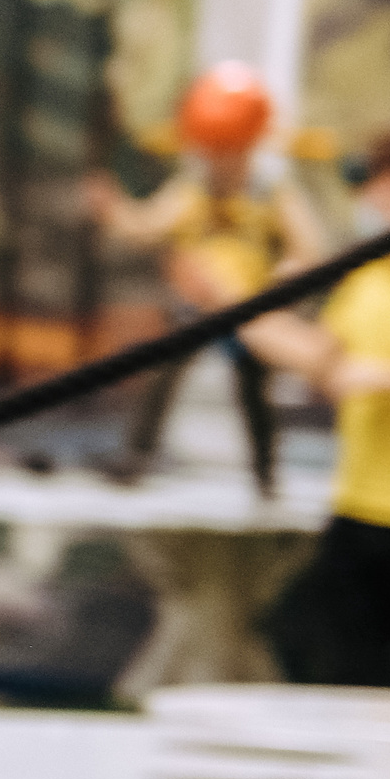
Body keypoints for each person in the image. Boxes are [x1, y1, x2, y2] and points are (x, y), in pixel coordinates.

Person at [233, 125, 390, 687]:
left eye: (364, 178)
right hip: (361, 506)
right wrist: (234, 308)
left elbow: (368, 375)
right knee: (307, 643)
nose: (359, 196)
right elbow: (324, 363)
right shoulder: (372, 274)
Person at [84, 62, 326, 493]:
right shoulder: (192, 189)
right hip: (196, 300)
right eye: (213, 148)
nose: (219, 159)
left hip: (251, 306)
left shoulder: (271, 191)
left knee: (253, 388)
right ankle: (137, 455)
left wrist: (290, 271)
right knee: (164, 371)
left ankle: (265, 473)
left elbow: (308, 248)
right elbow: (147, 227)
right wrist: (114, 209)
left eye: (228, 148)